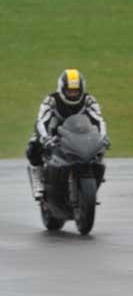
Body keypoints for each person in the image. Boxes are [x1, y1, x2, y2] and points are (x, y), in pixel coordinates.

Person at [26, 69, 108, 200]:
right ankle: (38, 179)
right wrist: (45, 138)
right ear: (62, 88)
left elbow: (99, 119)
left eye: (76, 91)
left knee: (100, 149)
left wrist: (103, 136)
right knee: (32, 147)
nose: (73, 94)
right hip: (54, 134)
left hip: (81, 134)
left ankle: (94, 179)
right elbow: (41, 120)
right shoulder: (51, 100)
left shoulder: (89, 100)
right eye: (69, 91)